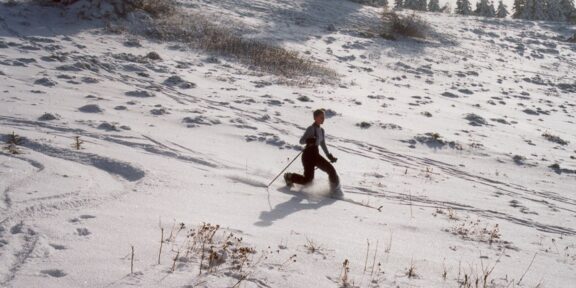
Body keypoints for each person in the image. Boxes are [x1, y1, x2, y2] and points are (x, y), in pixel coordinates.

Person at [284, 109, 341, 195]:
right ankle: (290, 177)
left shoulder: (321, 130)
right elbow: (301, 141)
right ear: (315, 118)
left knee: (331, 170)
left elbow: (322, 144)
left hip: (315, 155)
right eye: (321, 117)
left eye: (324, 117)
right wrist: (308, 140)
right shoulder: (311, 129)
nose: (323, 119)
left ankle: (334, 190)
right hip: (308, 156)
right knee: (308, 181)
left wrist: (329, 156)